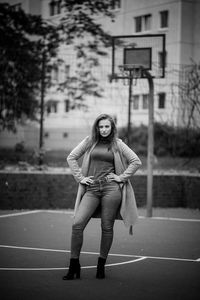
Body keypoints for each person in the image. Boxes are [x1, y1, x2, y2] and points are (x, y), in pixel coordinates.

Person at [63, 113, 142, 280]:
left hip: (111, 189)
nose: (104, 129)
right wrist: (80, 177)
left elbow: (136, 161)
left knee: (107, 227)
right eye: (101, 127)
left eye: (107, 126)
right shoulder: (89, 141)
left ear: (112, 128)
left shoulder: (118, 144)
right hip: (92, 189)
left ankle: (101, 265)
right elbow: (71, 157)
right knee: (77, 224)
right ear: (96, 128)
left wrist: (121, 178)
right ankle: (74, 265)